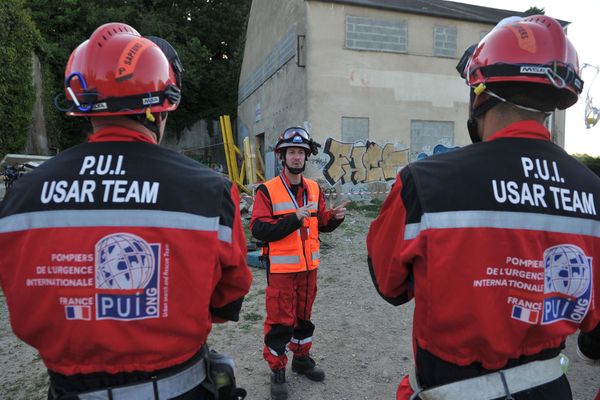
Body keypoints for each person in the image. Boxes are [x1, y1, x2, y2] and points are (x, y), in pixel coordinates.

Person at [0, 22, 252, 400]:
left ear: (82, 106)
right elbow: (229, 294)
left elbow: (18, 288)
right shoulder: (209, 191)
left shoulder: (21, 194)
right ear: (159, 109)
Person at [367, 15, 600, 400]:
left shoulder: (423, 184)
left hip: (450, 390)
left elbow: (389, 284)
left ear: (479, 94)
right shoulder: (593, 193)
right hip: (550, 390)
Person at [250, 126, 349, 400]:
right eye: (291, 152)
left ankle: (302, 359)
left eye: (301, 153)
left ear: (306, 157)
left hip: (309, 269)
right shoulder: (267, 191)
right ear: (283, 156)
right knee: (281, 322)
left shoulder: (315, 189)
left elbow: (322, 224)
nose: (296, 157)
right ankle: (277, 369)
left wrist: (336, 218)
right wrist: (293, 218)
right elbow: (258, 229)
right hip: (282, 271)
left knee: (303, 319)